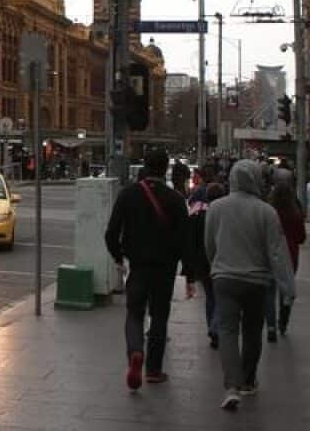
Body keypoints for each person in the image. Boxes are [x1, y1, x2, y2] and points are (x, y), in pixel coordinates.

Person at [205, 159, 297, 411]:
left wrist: (216, 266)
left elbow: (209, 244)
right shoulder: (267, 212)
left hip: (224, 278)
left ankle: (231, 386)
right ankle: (247, 380)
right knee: (252, 331)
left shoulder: (216, 208)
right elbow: (277, 253)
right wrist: (288, 288)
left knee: (227, 331)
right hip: (256, 282)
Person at [105, 148, 189, 390]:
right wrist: (190, 274)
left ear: (145, 166)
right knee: (160, 316)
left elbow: (111, 232)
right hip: (164, 269)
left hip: (138, 266)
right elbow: (184, 239)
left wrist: (119, 256)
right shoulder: (175, 199)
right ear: (166, 169)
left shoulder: (128, 195)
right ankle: (153, 370)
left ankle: (135, 352)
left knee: (134, 314)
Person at [186, 182, 225, 348]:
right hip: (221, 262)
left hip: (203, 263)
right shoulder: (225, 214)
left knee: (210, 297)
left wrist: (191, 270)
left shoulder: (197, 215)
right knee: (221, 297)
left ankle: (212, 327)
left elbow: (191, 242)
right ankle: (216, 328)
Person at [264, 181, 305, 340]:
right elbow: (301, 238)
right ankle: (284, 320)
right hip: (290, 255)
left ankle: (271, 325)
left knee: (269, 291)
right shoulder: (295, 214)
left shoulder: (268, 212)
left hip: (271, 253)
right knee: (286, 288)